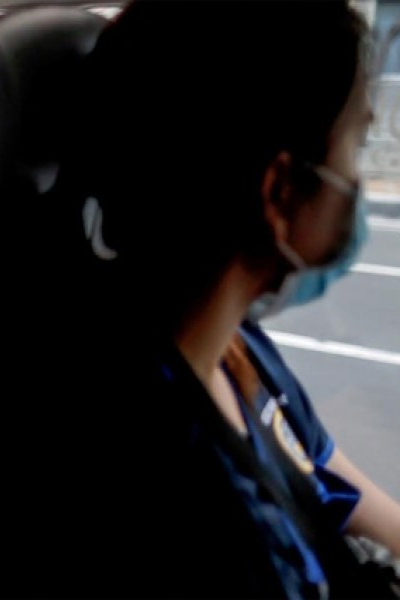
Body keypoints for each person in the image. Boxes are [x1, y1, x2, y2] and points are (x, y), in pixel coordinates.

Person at [71, 0, 400, 596]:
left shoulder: (230, 348)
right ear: (279, 192)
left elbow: (315, 467)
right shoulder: (178, 492)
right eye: (355, 145)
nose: (357, 185)